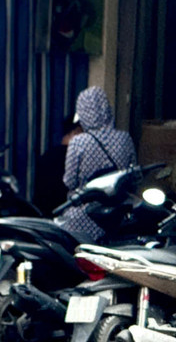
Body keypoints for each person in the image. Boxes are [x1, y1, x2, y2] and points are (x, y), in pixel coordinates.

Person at [58, 86, 138, 242]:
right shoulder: (125, 138)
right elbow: (134, 177)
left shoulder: (78, 142)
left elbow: (70, 182)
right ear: (107, 109)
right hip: (117, 215)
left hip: (83, 215)